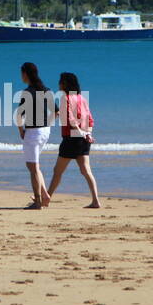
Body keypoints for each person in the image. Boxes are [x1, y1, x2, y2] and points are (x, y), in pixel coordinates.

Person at [47, 71, 101, 208]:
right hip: (83, 138)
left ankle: (46, 199)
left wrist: (79, 132)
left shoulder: (66, 98)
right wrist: (87, 134)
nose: (58, 84)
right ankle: (96, 201)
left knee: (57, 171)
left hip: (71, 138)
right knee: (86, 171)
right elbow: (90, 119)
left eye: (60, 81)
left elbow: (70, 118)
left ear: (65, 84)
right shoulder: (82, 98)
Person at [16, 62, 53, 209]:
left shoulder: (27, 92)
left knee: (32, 167)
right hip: (45, 131)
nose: (21, 76)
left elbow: (19, 115)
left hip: (33, 132)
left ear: (25, 74)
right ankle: (45, 196)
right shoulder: (47, 90)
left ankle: (38, 202)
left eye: (21, 73)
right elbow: (56, 112)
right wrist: (47, 125)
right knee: (34, 165)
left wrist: (21, 131)